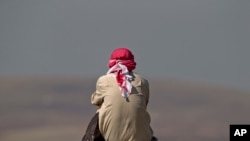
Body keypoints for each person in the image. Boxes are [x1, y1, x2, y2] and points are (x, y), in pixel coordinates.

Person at [91, 48, 154, 141]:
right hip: (143, 137)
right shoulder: (143, 82)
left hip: (112, 138)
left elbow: (95, 101)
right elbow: (145, 103)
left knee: (100, 110)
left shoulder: (103, 81)